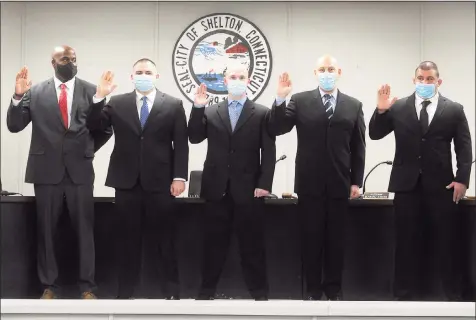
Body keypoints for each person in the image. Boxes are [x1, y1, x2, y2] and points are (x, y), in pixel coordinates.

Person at [6, 45, 113, 299]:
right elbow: (14, 125)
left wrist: (86, 149)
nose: (71, 63)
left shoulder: (92, 91)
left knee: (85, 232)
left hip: (80, 172)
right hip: (46, 171)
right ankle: (49, 287)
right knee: (46, 232)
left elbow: (104, 129)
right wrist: (18, 96)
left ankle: (87, 287)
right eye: (65, 59)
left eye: (74, 59)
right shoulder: (36, 91)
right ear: (53, 63)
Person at [369, 61, 472, 301]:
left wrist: (462, 179)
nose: (425, 83)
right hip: (406, 187)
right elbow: (375, 134)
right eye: (421, 78)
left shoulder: (454, 109)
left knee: (446, 243)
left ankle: (452, 296)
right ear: (414, 80)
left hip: (442, 187)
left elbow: (464, 147)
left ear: (439, 81)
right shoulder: (399, 107)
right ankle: (404, 297)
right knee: (405, 244)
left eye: (429, 79)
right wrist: (381, 110)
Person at [87, 58, 188, 300]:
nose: (144, 75)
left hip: (162, 182)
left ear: (157, 76)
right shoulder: (117, 103)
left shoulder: (173, 104)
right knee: (127, 240)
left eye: (148, 72)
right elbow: (94, 125)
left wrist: (179, 177)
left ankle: (172, 292)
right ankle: (125, 293)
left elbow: (181, 144)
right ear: (132, 77)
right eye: (139, 72)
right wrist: (99, 97)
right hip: (126, 182)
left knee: (165, 239)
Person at [267, 55, 366, 300]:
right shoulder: (300, 101)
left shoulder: (354, 105)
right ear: (315, 73)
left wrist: (356, 181)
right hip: (309, 184)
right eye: (322, 69)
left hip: (340, 184)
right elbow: (277, 128)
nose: (327, 73)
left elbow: (359, 146)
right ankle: (312, 291)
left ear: (339, 71)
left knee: (337, 242)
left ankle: (333, 290)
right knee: (311, 240)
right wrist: (281, 98)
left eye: (331, 69)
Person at [188, 61, 276, 301]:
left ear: (248, 81)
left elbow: (269, 152)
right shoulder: (210, 110)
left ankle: (260, 295)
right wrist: (197, 107)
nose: (237, 80)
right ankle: (205, 294)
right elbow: (194, 137)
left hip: (249, 191)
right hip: (216, 190)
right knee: (213, 246)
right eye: (232, 77)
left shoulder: (262, 112)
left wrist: (265, 183)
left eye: (241, 76)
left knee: (252, 247)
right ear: (225, 82)